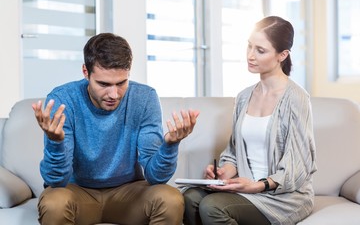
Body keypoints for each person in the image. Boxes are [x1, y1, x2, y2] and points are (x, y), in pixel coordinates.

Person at [32, 33, 200, 225]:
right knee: (54, 203)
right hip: (77, 192)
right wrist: (56, 142)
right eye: (103, 84)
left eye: (121, 83)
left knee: (170, 198)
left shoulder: (144, 98)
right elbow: (56, 181)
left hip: (128, 194)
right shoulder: (63, 99)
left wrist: (170, 145)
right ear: (86, 72)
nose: (113, 94)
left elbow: (156, 177)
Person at [183, 16, 317, 225]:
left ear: (282, 55)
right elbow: (234, 153)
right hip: (246, 188)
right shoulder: (244, 97)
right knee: (190, 198)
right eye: (249, 46)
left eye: (260, 50)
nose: (250, 56)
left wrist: (256, 185)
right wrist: (223, 173)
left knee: (212, 207)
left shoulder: (296, 98)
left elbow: (297, 168)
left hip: (282, 197)